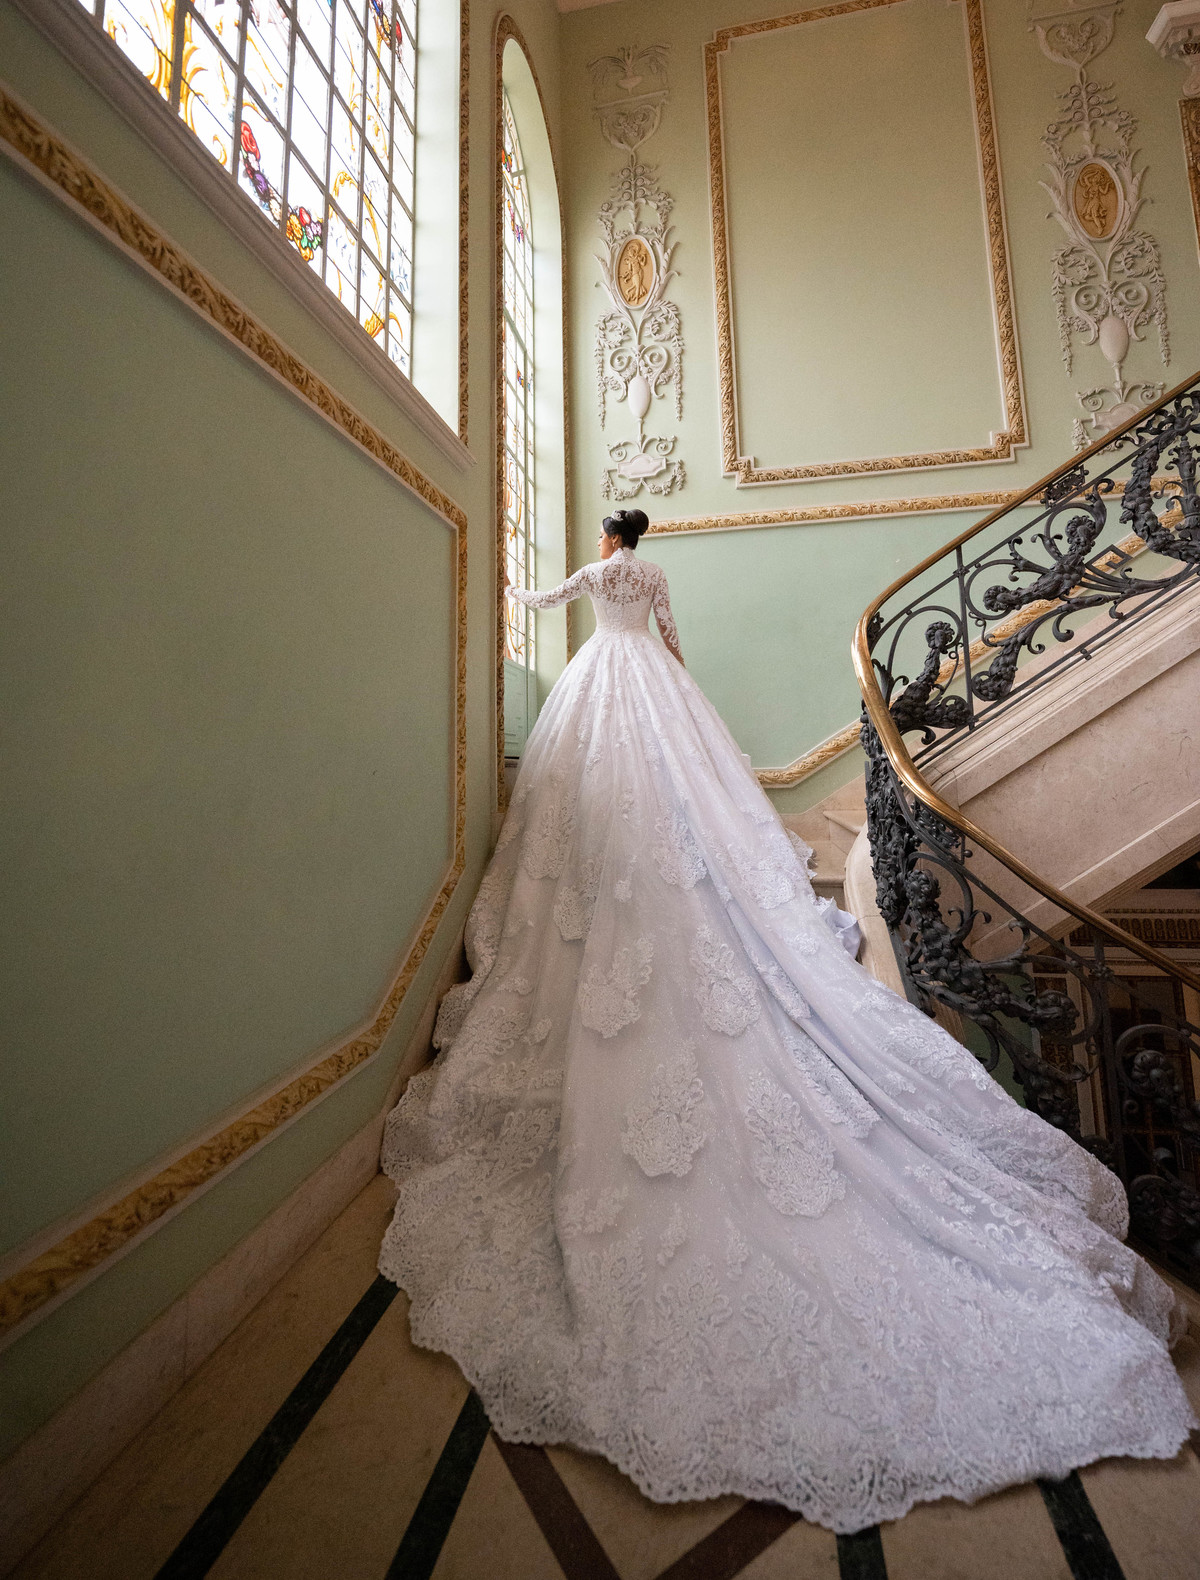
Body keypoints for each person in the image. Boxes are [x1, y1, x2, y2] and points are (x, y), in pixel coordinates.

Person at [379, 508, 1194, 1533]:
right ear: (643, 542)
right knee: (675, 813)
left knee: (599, 821)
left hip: (599, 687)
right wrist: (675, 676)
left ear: (606, 540)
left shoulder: (598, 581)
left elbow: (555, 603)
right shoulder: (654, 573)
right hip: (647, 691)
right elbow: (671, 642)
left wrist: (520, 601)